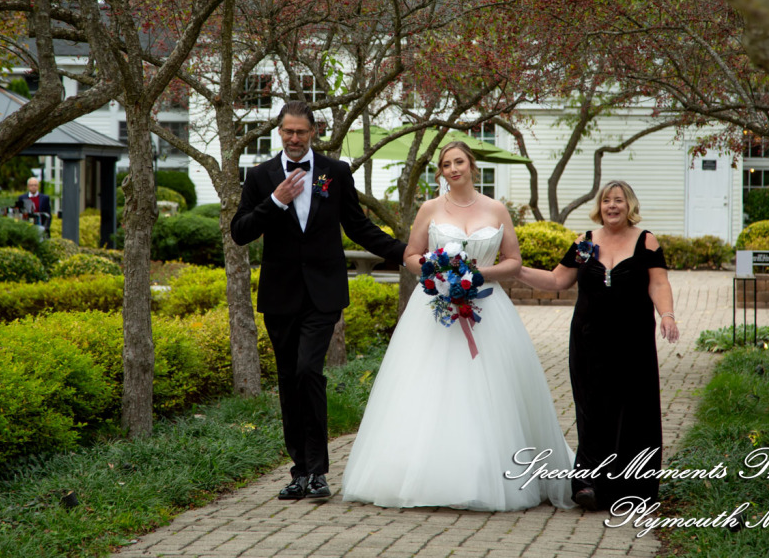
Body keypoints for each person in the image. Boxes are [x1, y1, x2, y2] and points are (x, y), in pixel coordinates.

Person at [342, 141, 575, 511]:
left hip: (488, 311)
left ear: (472, 165)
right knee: (428, 387)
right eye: (446, 164)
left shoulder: (496, 209)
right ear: (441, 171)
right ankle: (420, 474)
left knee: (491, 390)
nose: (453, 169)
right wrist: (438, 275)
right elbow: (411, 255)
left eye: (459, 162)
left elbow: (513, 261)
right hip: (435, 311)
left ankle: (490, 472)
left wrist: (474, 274)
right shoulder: (430, 208)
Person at [231, 101, 406, 501]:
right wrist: (274, 201)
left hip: (323, 294)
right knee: (290, 382)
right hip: (279, 296)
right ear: (279, 132)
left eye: (302, 133)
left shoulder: (335, 171)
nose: (294, 139)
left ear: (314, 133)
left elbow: (357, 226)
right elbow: (240, 232)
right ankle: (299, 472)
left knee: (309, 371)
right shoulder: (261, 176)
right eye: (288, 132)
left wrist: (405, 252)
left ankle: (319, 472)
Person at [517, 180, 679, 512]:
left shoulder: (645, 240)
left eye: (618, 200)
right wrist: (514, 270)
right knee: (591, 410)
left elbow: (659, 282)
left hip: (633, 341)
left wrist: (667, 315)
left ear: (629, 205)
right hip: (589, 340)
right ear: (599, 206)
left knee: (633, 410)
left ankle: (632, 488)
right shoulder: (585, 242)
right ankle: (589, 485)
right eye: (606, 201)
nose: (612, 206)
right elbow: (558, 280)